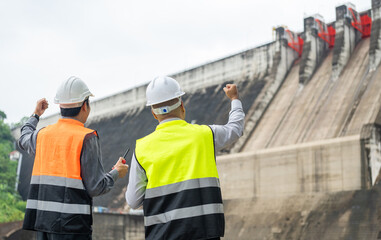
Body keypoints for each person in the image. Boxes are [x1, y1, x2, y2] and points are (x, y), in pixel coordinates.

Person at [126, 76, 245, 240]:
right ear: (182, 105)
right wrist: (235, 99)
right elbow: (235, 129)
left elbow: (133, 201)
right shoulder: (205, 135)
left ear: (154, 113)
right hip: (205, 233)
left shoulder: (141, 148)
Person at [18, 76, 129, 240]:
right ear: (85, 106)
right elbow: (96, 187)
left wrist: (36, 114)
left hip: (42, 226)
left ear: (60, 106)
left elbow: (24, 137)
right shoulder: (87, 137)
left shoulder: (42, 135)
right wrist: (116, 173)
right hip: (72, 228)